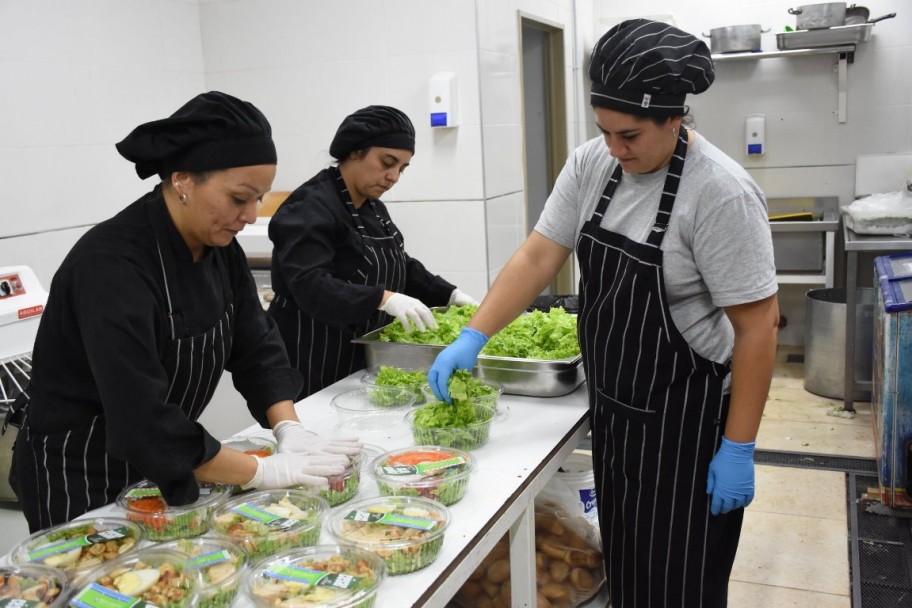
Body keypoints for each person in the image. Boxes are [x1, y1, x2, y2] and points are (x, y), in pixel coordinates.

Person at [429, 19, 779, 608]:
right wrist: (474, 333)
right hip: (617, 413)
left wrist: (738, 446)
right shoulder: (594, 163)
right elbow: (540, 253)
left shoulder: (719, 193)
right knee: (630, 573)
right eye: (605, 130)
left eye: (631, 135)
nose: (616, 148)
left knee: (680, 586)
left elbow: (757, 326)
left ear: (676, 118)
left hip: (686, 425)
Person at [9, 91, 361, 533]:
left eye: (259, 198)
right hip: (81, 472)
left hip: (167, 461)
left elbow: (256, 346)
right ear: (182, 180)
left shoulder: (218, 247)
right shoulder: (110, 266)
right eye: (239, 198)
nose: (251, 216)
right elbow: (141, 418)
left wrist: (290, 430)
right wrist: (263, 473)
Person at [267, 105, 477, 399]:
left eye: (401, 169)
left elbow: (398, 262)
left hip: (358, 358)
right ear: (355, 151)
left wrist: (451, 295)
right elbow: (311, 285)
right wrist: (383, 298)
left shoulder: (372, 206)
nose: (393, 177)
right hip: (312, 359)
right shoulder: (308, 207)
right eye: (387, 162)